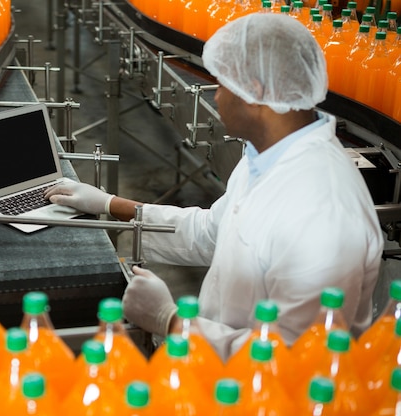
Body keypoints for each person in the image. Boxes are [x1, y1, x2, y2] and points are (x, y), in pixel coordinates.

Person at [44, 12, 383, 361]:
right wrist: (111, 205)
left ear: (255, 91)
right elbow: (212, 232)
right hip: (214, 374)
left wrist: (172, 322)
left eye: (221, 83)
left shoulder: (322, 213)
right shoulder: (266, 156)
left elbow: (296, 361)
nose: (216, 96)